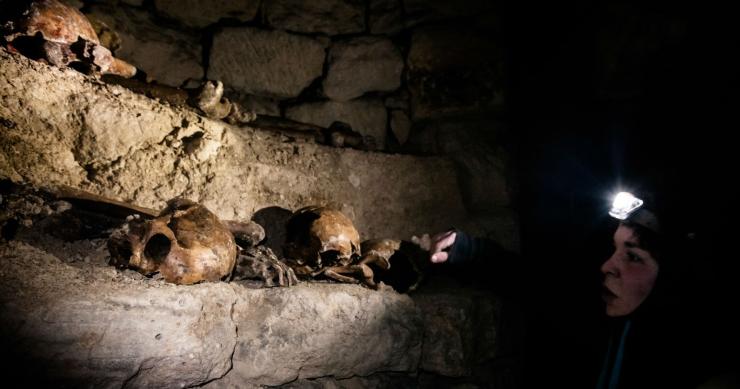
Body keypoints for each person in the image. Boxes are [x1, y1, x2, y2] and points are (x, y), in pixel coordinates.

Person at [427, 187, 736, 389]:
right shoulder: (598, 311)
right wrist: (469, 250)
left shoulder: (697, 356)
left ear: (672, 274)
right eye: (614, 249)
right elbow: (537, 282)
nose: (608, 266)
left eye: (632, 257)